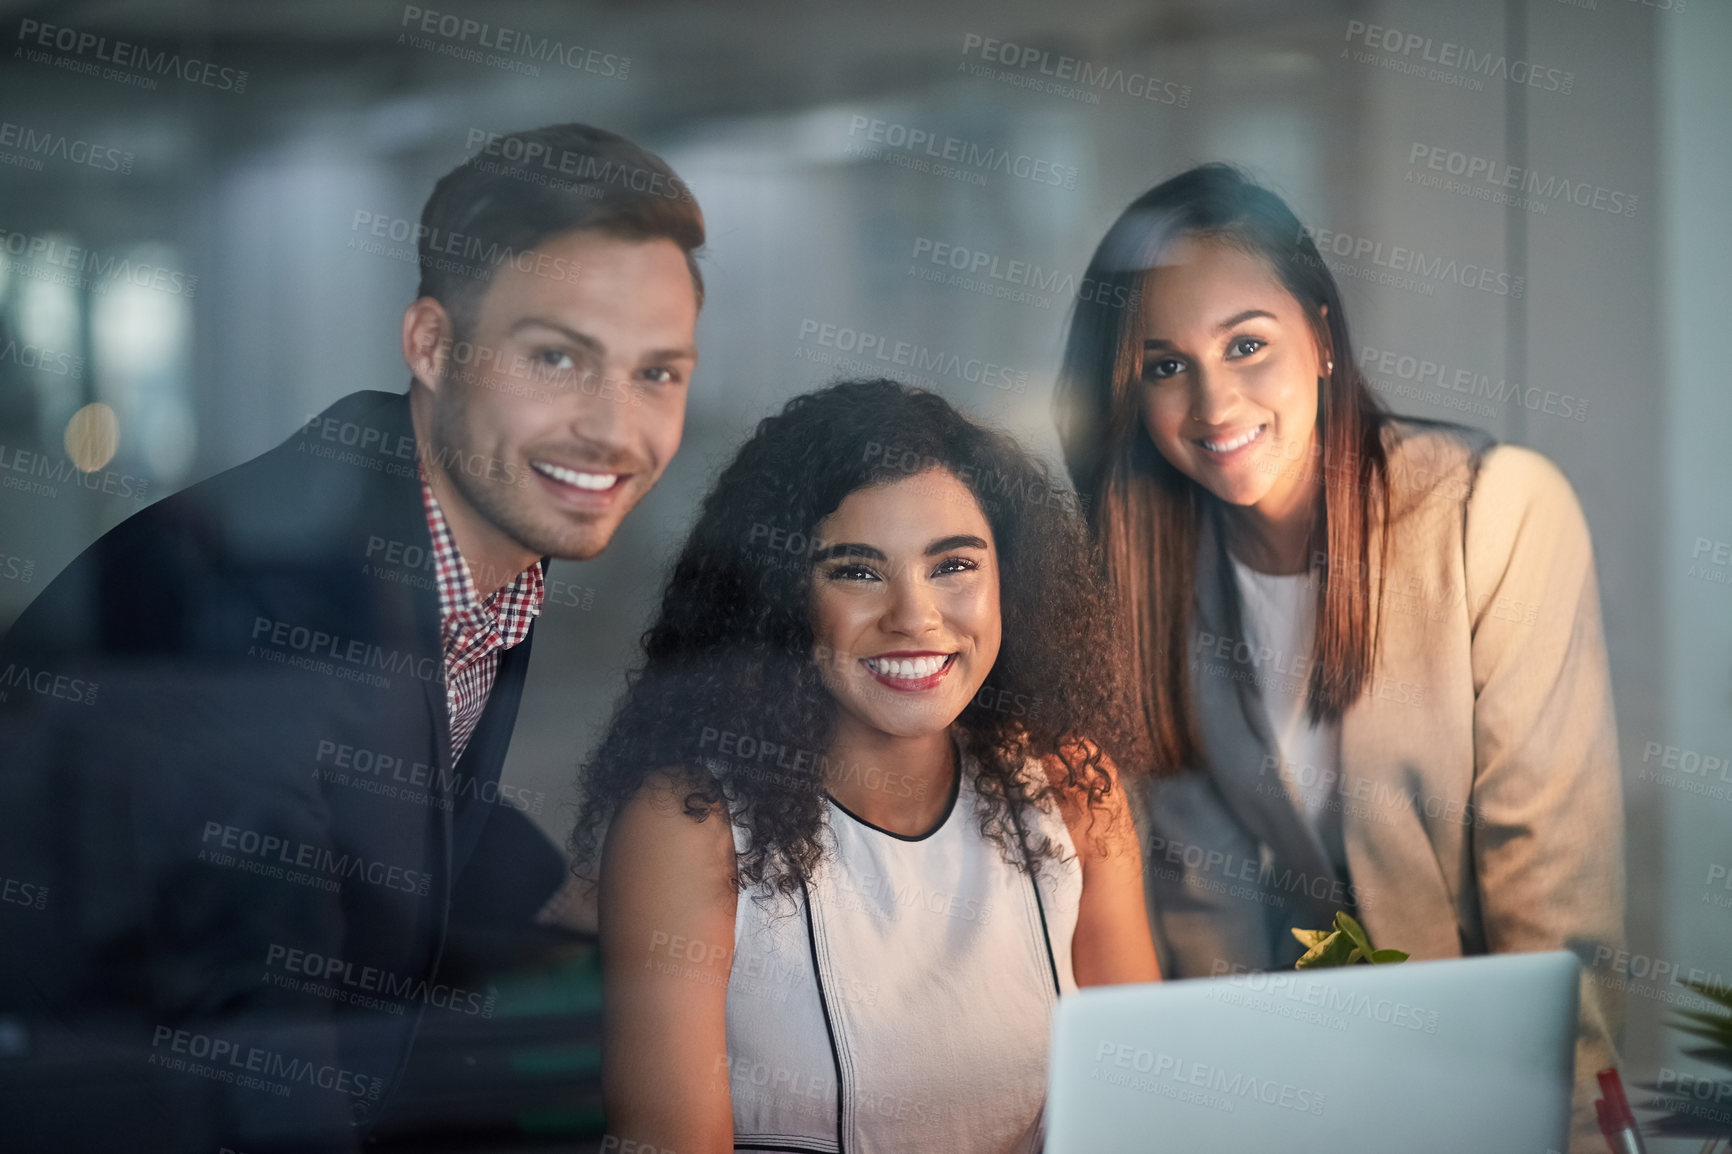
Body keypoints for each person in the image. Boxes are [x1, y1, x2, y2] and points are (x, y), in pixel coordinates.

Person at [0, 123, 704, 1152]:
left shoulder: (469, 527)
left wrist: (583, 893)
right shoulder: (279, 604)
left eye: (658, 374)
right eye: (558, 357)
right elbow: (254, 1057)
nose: (614, 428)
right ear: (429, 344)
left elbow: (398, 799)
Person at [1054, 162, 1624, 1150]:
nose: (1213, 399)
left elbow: (1550, 903)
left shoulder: (1495, 515)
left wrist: (1568, 1130)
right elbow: (1204, 912)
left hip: (1489, 1089)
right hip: (1292, 1102)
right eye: (1162, 365)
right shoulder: (1149, 577)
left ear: (1320, 334)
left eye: (1245, 344)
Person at [571, 378, 1160, 1153]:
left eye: (954, 566)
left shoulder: (1070, 783)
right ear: (780, 598)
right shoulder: (688, 822)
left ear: (1008, 584)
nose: (914, 617)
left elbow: (1144, 1108)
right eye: (856, 570)